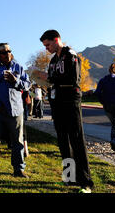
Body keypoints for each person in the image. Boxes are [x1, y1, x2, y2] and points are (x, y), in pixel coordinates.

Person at [38, 29, 94, 193]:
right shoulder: (53, 60)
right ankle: (70, 178)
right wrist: (43, 78)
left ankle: (86, 182)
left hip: (70, 101)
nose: (46, 48)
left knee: (76, 140)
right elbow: (52, 80)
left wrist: (49, 77)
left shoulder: (70, 54)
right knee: (63, 141)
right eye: (44, 46)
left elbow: (73, 78)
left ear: (56, 40)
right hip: (57, 102)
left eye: (48, 44)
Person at [0, 43, 31, 178]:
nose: (8, 54)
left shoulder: (18, 66)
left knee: (18, 141)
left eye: (9, 51)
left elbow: (28, 84)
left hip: (16, 110)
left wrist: (16, 81)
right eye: (4, 52)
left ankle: (18, 169)